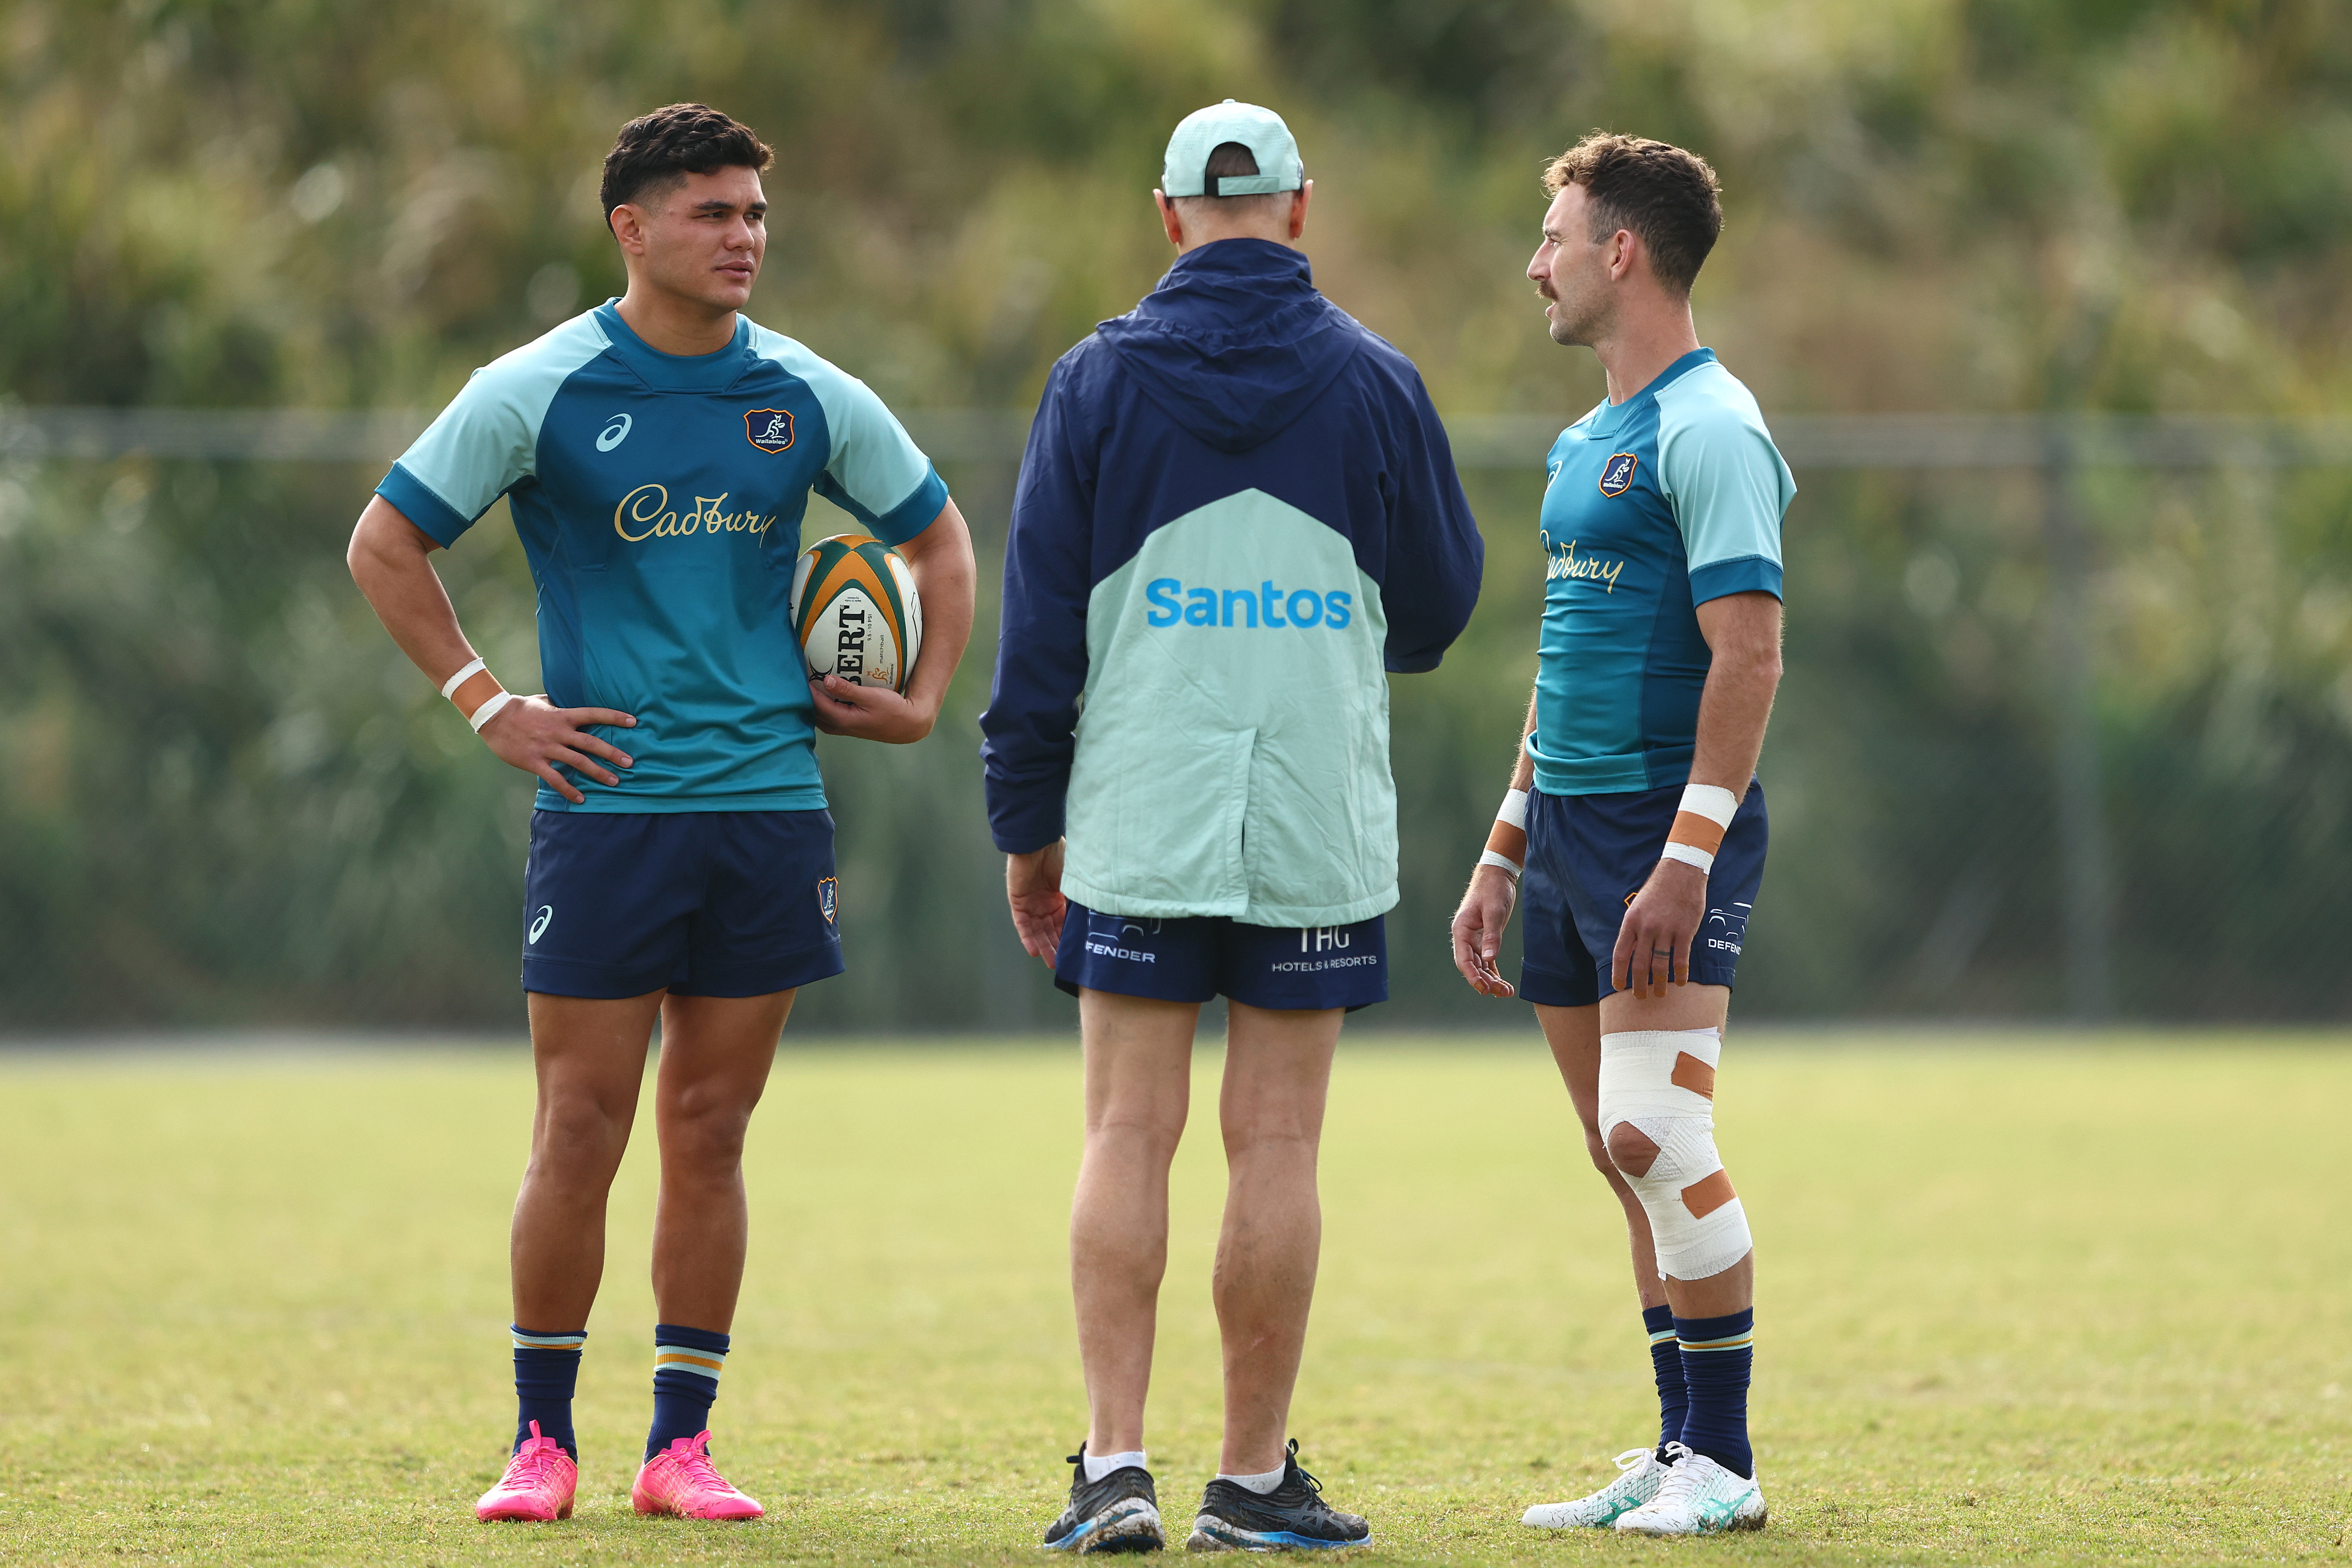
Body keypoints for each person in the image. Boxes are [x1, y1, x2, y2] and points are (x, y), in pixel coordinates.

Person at [345, 103, 975, 1526]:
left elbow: (936, 535)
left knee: (712, 1127)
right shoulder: (540, 387)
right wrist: (484, 700)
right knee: (578, 1127)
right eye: (712, 212)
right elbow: (386, 541)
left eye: (754, 213)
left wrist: (927, 693)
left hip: (767, 807)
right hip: (609, 808)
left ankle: (679, 1449)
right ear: (631, 229)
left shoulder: (806, 394)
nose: (743, 237)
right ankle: (540, 1443)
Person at [981, 101, 1483, 1553]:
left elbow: (1036, 646)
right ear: (1300, 209)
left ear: (1166, 217)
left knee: (1126, 1130)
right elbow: (1441, 607)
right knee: (1275, 1143)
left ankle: (1113, 1470)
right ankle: (1251, 1484)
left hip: (1140, 799)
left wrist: (1028, 830)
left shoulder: (1091, 380)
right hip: (1312, 806)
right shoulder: (1379, 381)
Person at [1449, 133, 1793, 1537]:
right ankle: (1670, 1451)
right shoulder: (1585, 439)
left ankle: (1724, 1462)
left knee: (1655, 1132)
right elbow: (1565, 656)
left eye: (1552, 235)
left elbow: (1750, 657)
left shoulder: (1708, 427)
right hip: (1574, 830)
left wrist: (1685, 855)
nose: (1534, 262)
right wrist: (1503, 845)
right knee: (1615, 1148)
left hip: (1664, 828)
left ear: (1621, 252)